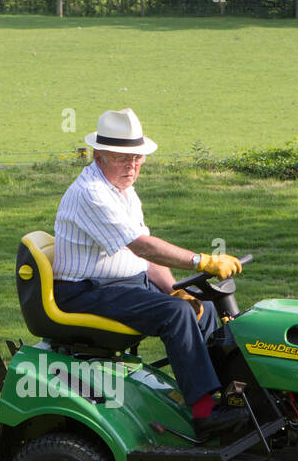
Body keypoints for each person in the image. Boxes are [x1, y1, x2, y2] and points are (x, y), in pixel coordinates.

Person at [52, 108, 247, 441]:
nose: (132, 166)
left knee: (203, 306)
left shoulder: (122, 190)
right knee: (177, 314)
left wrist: (176, 287)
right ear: (99, 155)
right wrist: (202, 262)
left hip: (123, 284)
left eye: (137, 159)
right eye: (123, 158)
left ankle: (230, 397)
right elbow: (143, 247)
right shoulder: (92, 194)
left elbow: (144, 259)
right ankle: (204, 415)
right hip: (84, 292)